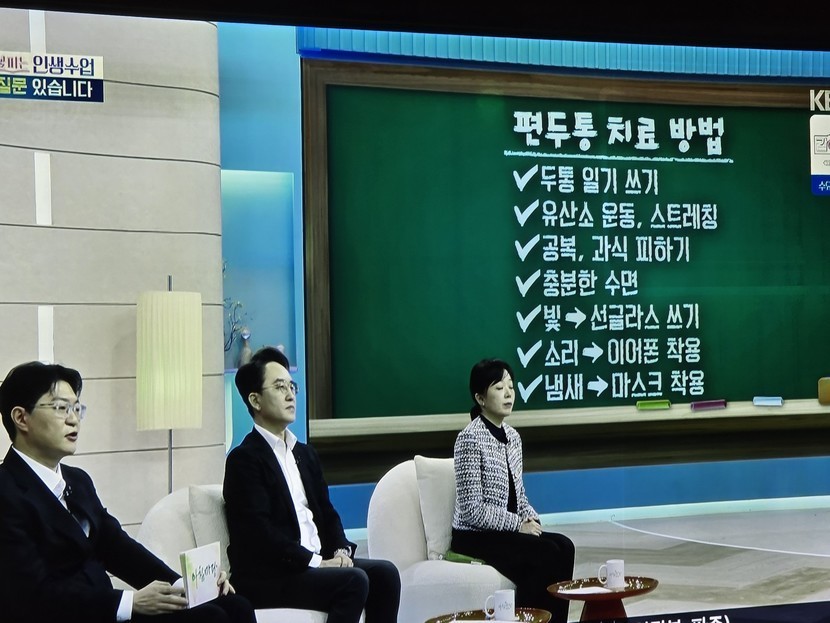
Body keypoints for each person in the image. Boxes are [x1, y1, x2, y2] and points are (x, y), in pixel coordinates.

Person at [0, 360, 256, 623]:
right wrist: (129, 602)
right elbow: (29, 597)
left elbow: (117, 548)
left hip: (105, 610)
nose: (73, 419)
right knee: (211, 618)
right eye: (60, 408)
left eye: (77, 408)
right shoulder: (6, 491)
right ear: (21, 418)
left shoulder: (78, 480)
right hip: (71, 615)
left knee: (234, 605)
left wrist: (185, 586)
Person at [223, 346, 400, 623]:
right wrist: (317, 562)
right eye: (279, 387)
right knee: (353, 581)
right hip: (270, 576)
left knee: (385, 574)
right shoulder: (244, 460)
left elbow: (327, 513)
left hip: (313, 563)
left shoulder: (304, 454)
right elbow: (262, 534)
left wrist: (340, 551)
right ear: (255, 400)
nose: (290, 394)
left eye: (291, 386)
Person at [451, 358, 574, 623]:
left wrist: (531, 517)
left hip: (505, 532)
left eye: (511, 386)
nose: (508, 394)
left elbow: (519, 495)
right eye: (499, 388)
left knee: (564, 546)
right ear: (480, 398)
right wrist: (518, 525)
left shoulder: (513, 437)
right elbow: (472, 510)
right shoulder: (469, 438)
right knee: (545, 553)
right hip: (474, 535)